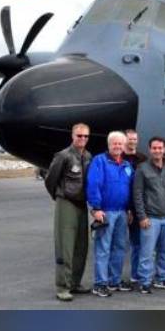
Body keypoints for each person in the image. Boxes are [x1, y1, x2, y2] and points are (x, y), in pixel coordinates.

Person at [44, 123, 92, 302]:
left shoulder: (87, 156)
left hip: (82, 204)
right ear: (73, 136)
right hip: (67, 203)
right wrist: (59, 197)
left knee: (81, 245)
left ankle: (75, 283)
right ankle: (62, 286)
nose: (82, 139)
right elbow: (50, 180)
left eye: (86, 136)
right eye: (79, 136)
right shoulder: (63, 156)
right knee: (65, 247)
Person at [87, 131, 135, 297]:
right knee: (103, 249)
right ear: (109, 145)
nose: (117, 146)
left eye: (120, 144)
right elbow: (93, 184)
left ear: (124, 146)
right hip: (105, 212)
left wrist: (130, 209)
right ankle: (100, 283)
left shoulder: (127, 165)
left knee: (119, 248)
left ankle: (114, 281)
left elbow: (131, 189)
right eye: (114, 143)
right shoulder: (99, 161)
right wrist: (96, 207)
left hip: (122, 212)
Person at [133, 137, 165, 294]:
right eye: (154, 148)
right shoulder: (142, 169)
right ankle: (144, 281)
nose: (157, 151)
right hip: (150, 218)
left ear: (164, 149)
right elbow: (137, 194)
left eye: (160, 148)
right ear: (149, 149)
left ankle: (162, 278)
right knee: (147, 253)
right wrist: (142, 216)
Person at [124, 129, 148, 289]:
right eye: (129, 139)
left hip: (138, 208)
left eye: (134, 139)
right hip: (122, 207)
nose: (132, 142)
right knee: (117, 245)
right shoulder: (119, 158)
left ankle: (135, 275)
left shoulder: (142, 159)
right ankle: (112, 279)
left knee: (137, 244)